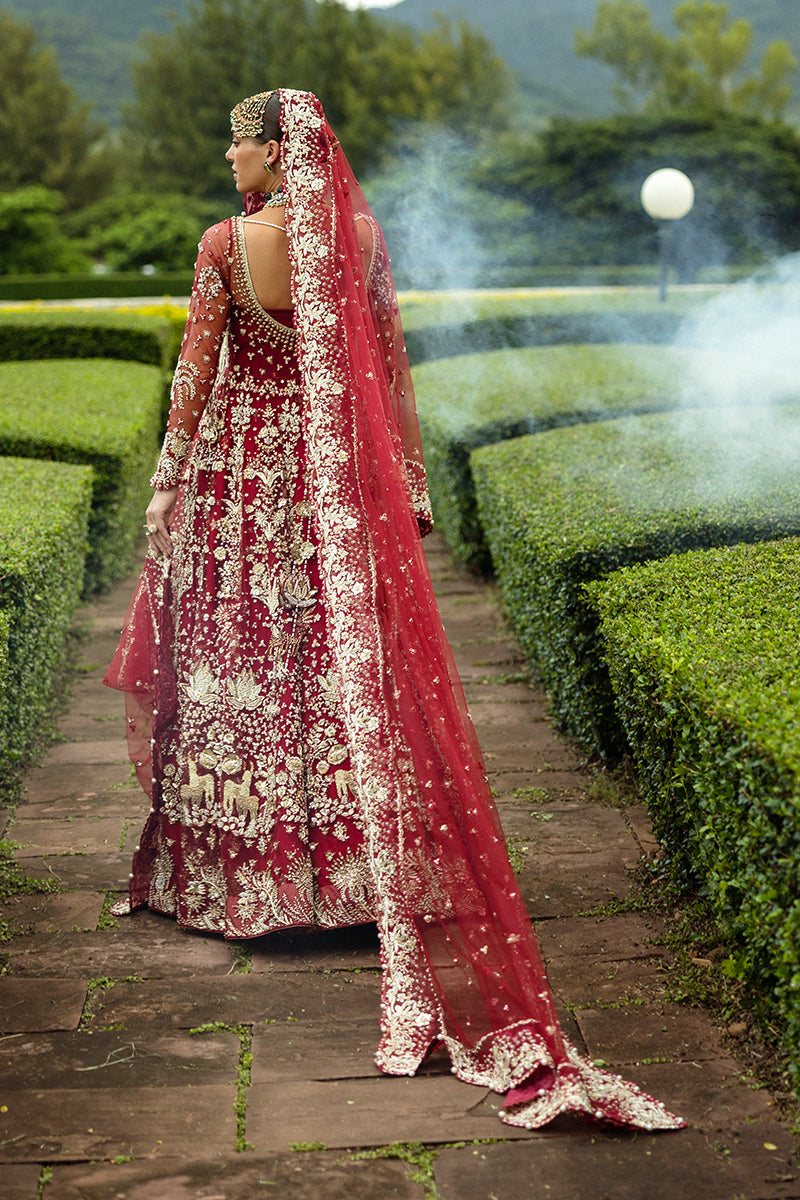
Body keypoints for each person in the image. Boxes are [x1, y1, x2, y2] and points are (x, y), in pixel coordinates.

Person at [105, 88, 684, 1133]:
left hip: (244, 473)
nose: (229, 165)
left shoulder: (224, 245)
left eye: (237, 149)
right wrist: (405, 485)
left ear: (276, 156)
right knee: (338, 666)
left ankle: (248, 884)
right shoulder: (360, 239)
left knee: (246, 659)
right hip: (336, 486)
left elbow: (196, 375)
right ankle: (359, 879)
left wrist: (165, 485)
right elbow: (385, 368)